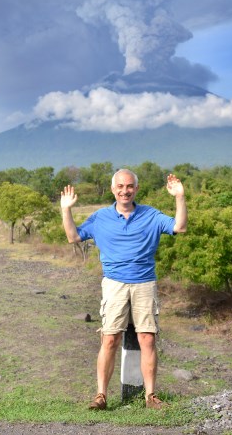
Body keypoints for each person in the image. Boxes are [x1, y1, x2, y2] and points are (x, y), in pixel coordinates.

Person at [60, 169, 187, 410]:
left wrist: (179, 196)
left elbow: (179, 227)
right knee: (109, 339)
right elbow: (72, 236)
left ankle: (150, 397)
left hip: (144, 283)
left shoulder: (151, 215)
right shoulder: (100, 217)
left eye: (129, 186)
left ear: (136, 189)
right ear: (113, 190)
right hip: (114, 284)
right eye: (120, 186)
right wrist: (66, 209)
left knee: (147, 338)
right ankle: (101, 396)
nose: (124, 190)